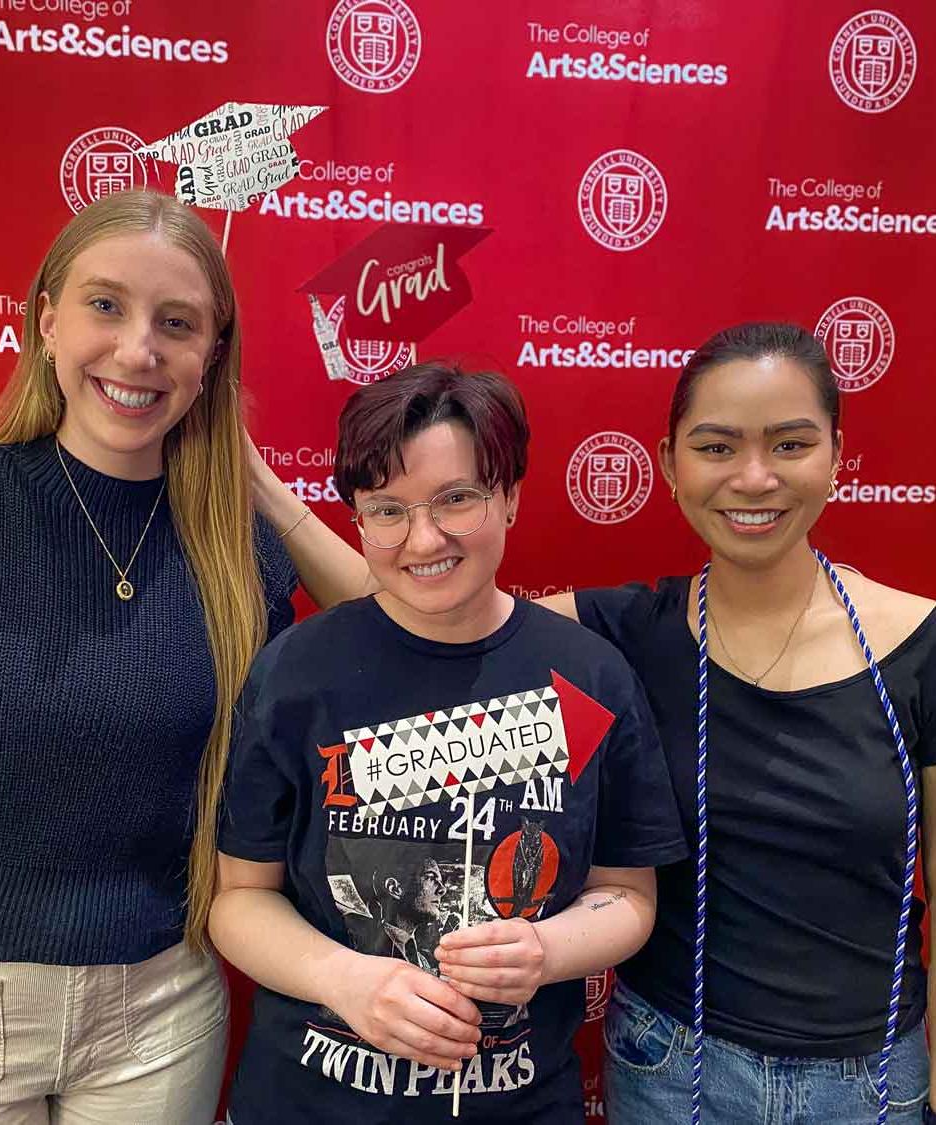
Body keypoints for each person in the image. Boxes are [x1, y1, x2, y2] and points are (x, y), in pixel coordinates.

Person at [0, 189, 320, 1124]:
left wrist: (257, 483)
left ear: (213, 356)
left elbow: (411, 635)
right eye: (105, 305)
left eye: (177, 323)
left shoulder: (243, 557)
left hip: (159, 1016)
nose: (138, 350)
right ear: (45, 321)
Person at [211, 363, 687, 1123]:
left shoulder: (590, 676)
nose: (422, 538)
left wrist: (548, 950)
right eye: (387, 510)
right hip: (309, 1102)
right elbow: (240, 898)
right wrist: (343, 979)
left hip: (522, 1103)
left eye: (455, 499)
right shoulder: (297, 671)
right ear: (358, 518)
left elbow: (627, 895)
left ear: (509, 497)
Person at [536, 323, 936, 1122]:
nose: (753, 478)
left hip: (868, 1086)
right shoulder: (624, 633)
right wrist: (275, 499)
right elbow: (431, 615)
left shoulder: (919, 643)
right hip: (668, 1069)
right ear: (668, 464)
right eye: (716, 447)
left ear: (835, 454)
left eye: (790, 444)